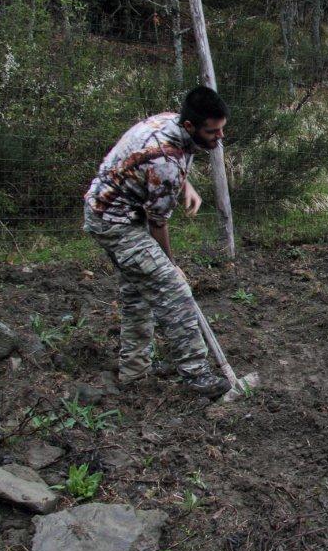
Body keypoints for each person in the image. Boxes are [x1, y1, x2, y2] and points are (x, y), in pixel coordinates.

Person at [83, 85, 233, 398]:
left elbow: (166, 167)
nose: (219, 137)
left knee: (138, 291)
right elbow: (158, 222)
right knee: (173, 289)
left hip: (112, 209)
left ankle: (134, 371)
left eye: (222, 129)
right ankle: (198, 376)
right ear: (191, 126)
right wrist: (171, 265)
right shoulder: (165, 159)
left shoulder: (171, 123)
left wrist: (185, 186)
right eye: (213, 132)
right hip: (115, 223)